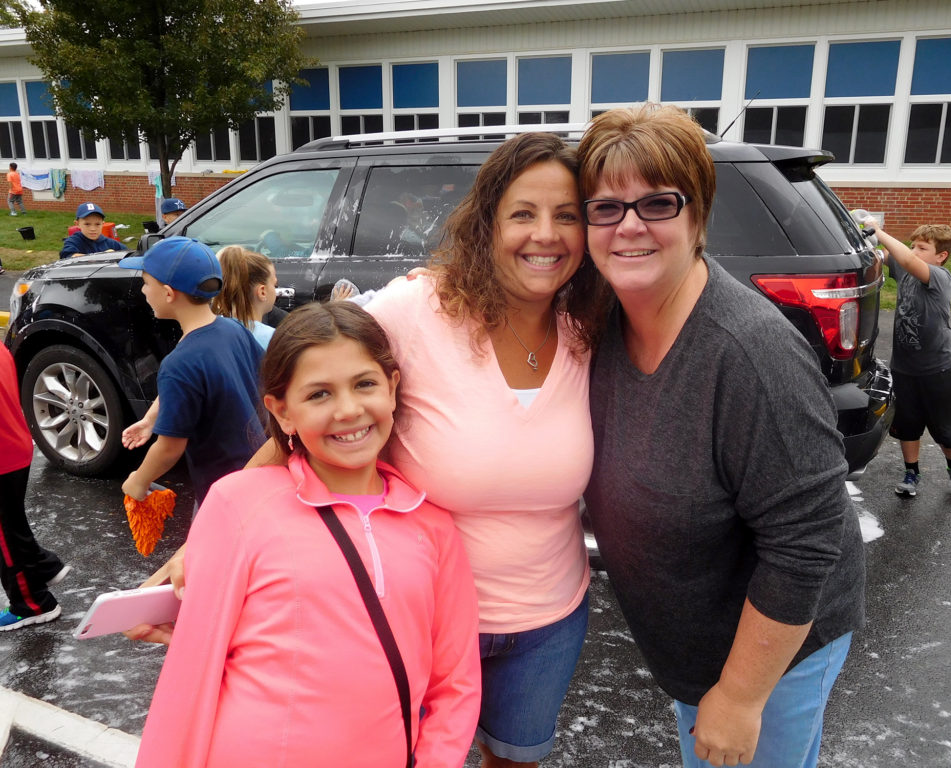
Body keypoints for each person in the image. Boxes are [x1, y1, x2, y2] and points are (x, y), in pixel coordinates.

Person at [135, 132, 609, 768]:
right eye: (522, 213)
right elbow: (317, 394)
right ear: (486, 223)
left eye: (568, 215)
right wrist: (207, 548)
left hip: (545, 620)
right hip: (404, 610)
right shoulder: (418, 309)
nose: (545, 234)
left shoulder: (591, 329)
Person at [578, 103, 865, 768]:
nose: (628, 227)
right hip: (700, 642)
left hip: (776, 652)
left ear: (699, 215)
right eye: (605, 207)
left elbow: (807, 536)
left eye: (658, 204)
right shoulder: (605, 317)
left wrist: (739, 697)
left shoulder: (750, 354)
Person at [135, 301, 481, 768]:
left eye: (365, 384)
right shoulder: (238, 504)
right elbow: (193, 673)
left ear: (393, 387)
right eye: (319, 394)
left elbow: (455, 681)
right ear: (282, 412)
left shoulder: (432, 525)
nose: (349, 410)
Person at [118, 236, 265, 510]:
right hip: (259, 471)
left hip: (223, 494)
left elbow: (169, 448)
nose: (143, 291)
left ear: (169, 293)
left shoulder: (179, 363)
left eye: (146, 283)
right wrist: (151, 420)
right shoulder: (232, 330)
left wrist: (139, 481)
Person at [864, 219, 951, 499]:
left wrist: (880, 231)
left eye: (922, 247)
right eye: (912, 245)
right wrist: (862, 235)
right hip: (904, 367)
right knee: (908, 424)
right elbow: (882, 255)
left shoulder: (939, 277)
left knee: (945, 425)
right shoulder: (907, 265)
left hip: (938, 367)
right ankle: (911, 472)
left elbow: (908, 261)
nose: (914, 250)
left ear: (941, 256)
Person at [0, 343, 71, 631]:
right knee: (11, 523)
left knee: (5, 539)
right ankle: (44, 565)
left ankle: (33, 604)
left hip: (2, 457)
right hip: (15, 444)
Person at [212, 245, 278, 349]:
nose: (275, 290)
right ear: (262, 292)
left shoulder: (211, 332)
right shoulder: (274, 340)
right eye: (274, 285)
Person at [59, 202, 127, 259]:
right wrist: (104, 256)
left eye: (97, 224)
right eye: (87, 224)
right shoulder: (73, 241)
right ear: (77, 224)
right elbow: (68, 257)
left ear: (102, 224)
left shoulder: (111, 243)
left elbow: (130, 254)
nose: (93, 229)